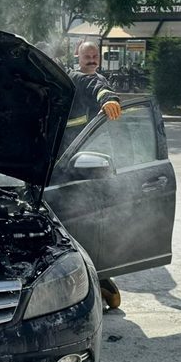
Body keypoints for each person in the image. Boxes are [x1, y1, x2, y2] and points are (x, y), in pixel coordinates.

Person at [62, 41, 125, 309]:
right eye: (87, 55)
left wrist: (109, 98)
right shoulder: (71, 78)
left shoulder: (92, 79)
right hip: (67, 164)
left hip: (83, 167)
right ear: (77, 56)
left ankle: (97, 279)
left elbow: (98, 86)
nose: (91, 58)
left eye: (95, 55)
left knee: (84, 224)